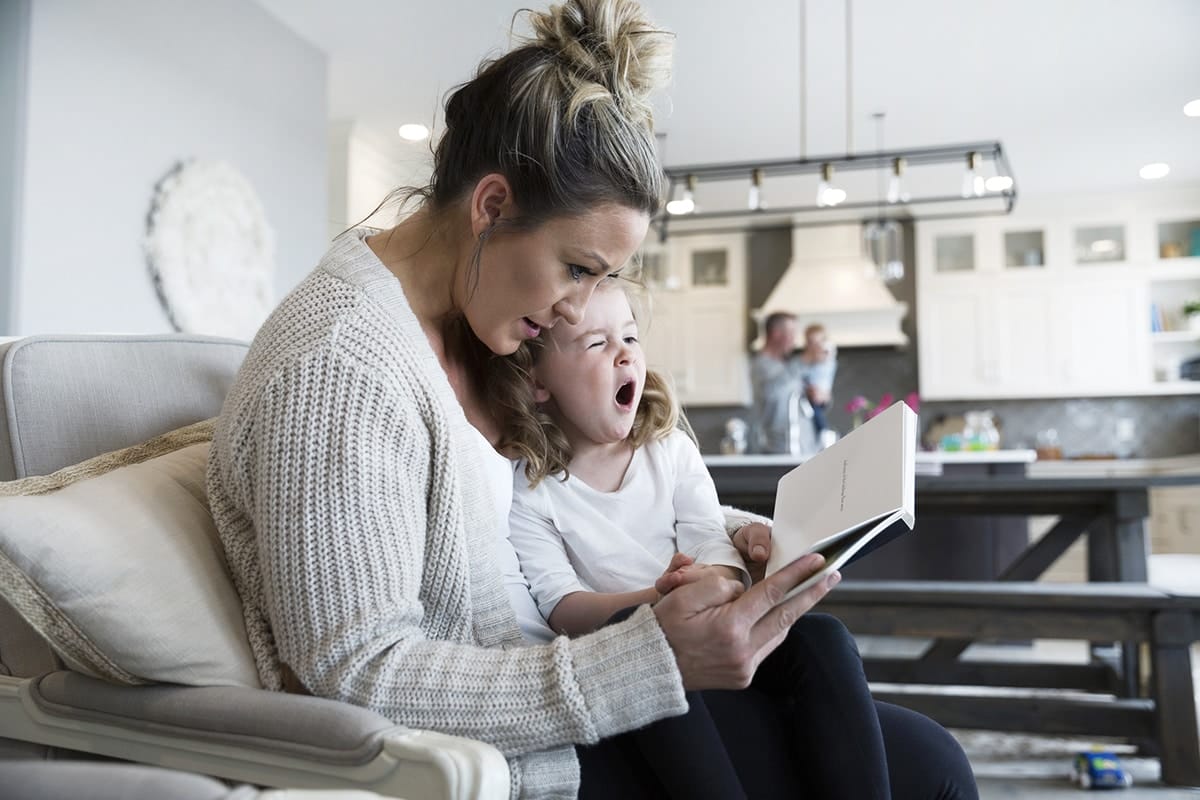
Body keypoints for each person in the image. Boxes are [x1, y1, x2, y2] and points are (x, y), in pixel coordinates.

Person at [206, 1, 976, 797]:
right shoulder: (340, 366)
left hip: (578, 697)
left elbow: (584, 493)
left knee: (924, 751)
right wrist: (648, 661)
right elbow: (355, 674)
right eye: (578, 268)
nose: (580, 310)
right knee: (929, 775)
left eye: (603, 280)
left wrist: (754, 542)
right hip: (513, 748)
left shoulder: (475, 321)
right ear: (492, 206)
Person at [499, 281, 974, 798]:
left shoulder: (670, 450)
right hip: (643, 655)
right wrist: (662, 601)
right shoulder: (529, 490)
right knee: (643, 653)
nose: (624, 356)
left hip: (725, 628)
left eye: (631, 339)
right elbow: (562, 606)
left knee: (825, 636)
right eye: (597, 343)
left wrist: (719, 581)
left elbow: (710, 536)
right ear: (538, 381)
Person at [749, 311, 809, 454]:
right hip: (776, 448)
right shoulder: (761, 365)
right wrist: (803, 361)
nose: (795, 341)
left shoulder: (786, 366)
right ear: (776, 334)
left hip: (800, 447)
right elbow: (770, 393)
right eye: (792, 333)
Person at [797, 322, 838, 436]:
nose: (814, 346)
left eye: (817, 342)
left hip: (820, 392)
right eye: (810, 342)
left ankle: (823, 430)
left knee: (816, 412)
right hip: (807, 397)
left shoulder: (826, 358)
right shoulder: (801, 361)